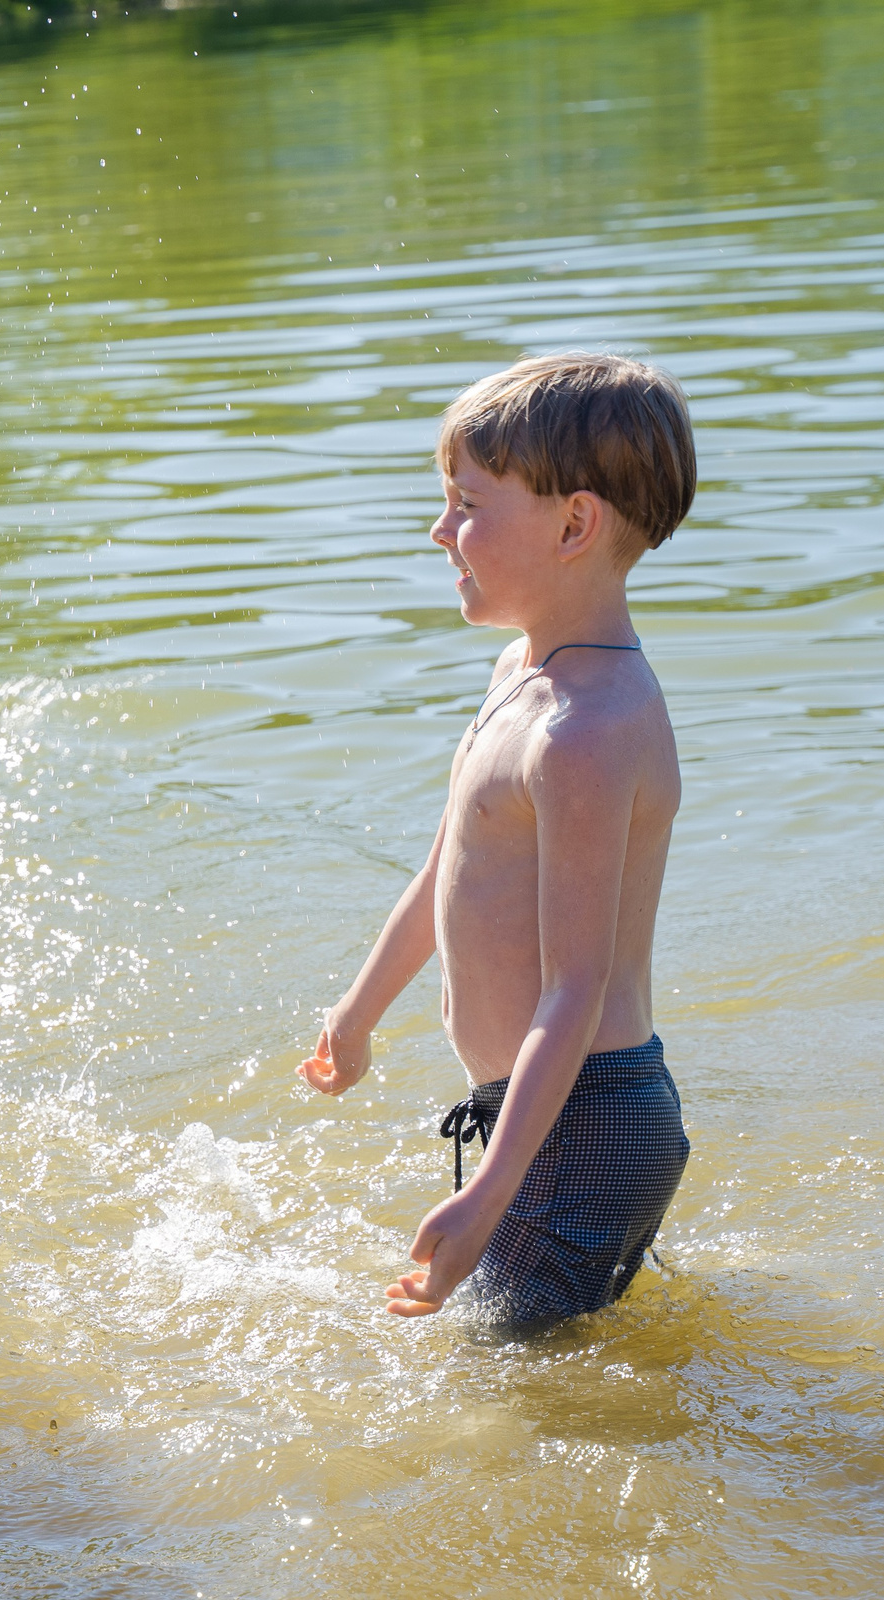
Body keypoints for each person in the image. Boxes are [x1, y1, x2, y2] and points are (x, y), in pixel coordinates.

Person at [298, 351, 697, 1326]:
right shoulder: (522, 675)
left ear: (573, 524)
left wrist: (487, 1192)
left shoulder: (586, 734)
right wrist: (357, 1014)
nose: (440, 530)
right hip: (565, 1120)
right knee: (556, 1360)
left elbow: (574, 990)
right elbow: (450, 867)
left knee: (506, 1383)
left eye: (467, 505)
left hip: (581, 1122)